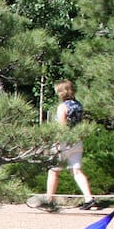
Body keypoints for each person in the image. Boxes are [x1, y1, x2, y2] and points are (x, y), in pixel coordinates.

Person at [44, 79, 95, 208]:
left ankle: (49, 200)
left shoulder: (62, 107)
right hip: (76, 140)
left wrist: (54, 143)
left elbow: (62, 127)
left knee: (54, 171)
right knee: (77, 171)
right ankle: (89, 198)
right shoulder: (78, 105)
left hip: (63, 142)